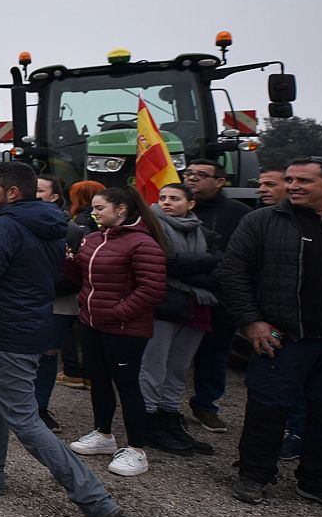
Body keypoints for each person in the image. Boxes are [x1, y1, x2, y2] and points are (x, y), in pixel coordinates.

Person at [0, 161, 123, 517]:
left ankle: (94, 498)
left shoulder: (7, 227)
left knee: (26, 422)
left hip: (10, 333)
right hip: (23, 326)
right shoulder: (48, 222)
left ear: (12, 192)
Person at [220, 157, 322, 513]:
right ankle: (254, 474)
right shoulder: (261, 222)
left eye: (304, 181)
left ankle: (320, 481)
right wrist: (252, 322)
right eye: (289, 180)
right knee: (268, 408)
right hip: (282, 338)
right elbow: (233, 274)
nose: (292, 187)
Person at [64, 187, 167, 477]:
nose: (93, 213)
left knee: (127, 385)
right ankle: (103, 434)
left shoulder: (142, 243)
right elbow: (81, 279)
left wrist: (117, 312)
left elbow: (152, 289)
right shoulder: (94, 238)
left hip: (125, 329)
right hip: (92, 323)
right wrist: (69, 260)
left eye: (99, 208)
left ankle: (136, 449)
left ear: (121, 209)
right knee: (98, 380)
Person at [138, 183, 218, 456]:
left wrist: (190, 264)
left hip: (196, 304)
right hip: (164, 305)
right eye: (162, 198)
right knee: (153, 364)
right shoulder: (150, 228)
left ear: (191, 204)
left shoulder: (203, 232)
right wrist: (202, 262)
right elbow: (160, 263)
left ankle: (169, 416)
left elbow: (219, 268)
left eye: (174, 198)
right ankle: (147, 420)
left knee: (179, 366)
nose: (166, 203)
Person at [183, 159, 250, 434]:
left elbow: (241, 257)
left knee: (214, 353)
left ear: (220, 181)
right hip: (179, 295)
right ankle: (161, 407)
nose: (192, 179)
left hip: (220, 296)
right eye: (188, 173)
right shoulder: (168, 206)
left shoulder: (240, 214)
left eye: (200, 175)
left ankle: (206, 405)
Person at [35, 175, 81, 425]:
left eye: (40, 190)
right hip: (26, 299)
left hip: (58, 300)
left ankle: (40, 407)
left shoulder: (71, 230)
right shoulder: (16, 222)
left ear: (55, 197)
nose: (34, 194)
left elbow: (73, 271)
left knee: (49, 354)